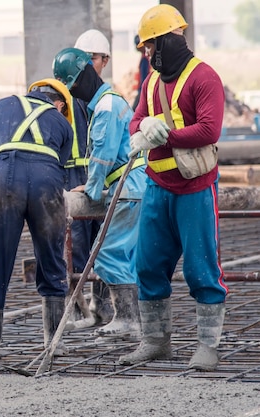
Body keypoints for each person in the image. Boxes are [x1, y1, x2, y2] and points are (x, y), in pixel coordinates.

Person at [118, 4, 228, 371]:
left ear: (165, 41)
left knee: (201, 269)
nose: (147, 54)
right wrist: (142, 131)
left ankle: (208, 346)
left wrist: (163, 135)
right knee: (147, 265)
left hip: (194, 190)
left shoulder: (203, 77)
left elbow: (210, 130)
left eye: (149, 47)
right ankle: (155, 341)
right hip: (157, 189)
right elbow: (135, 122)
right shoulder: (151, 82)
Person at [0, 79, 73, 363]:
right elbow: (66, 171)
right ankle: (53, 341)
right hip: (47, 181)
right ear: (59, 104)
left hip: (6, 178)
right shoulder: (62, 123)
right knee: (52, 257)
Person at [53, 47, 147, 340]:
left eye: (73, 87)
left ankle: (128, 320)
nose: (74, 95)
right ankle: (131, 320)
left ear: (82, 77)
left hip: (128, 187)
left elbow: (103, 155)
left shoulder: (105, 108)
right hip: (134, 184)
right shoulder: (111, 100)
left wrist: (91, 189)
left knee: (108, 255)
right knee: (125, 255)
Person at [67, 29, 114, 328]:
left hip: (103, 179)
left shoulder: (109, 99)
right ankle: (77, 308)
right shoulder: (65, 98)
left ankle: (103, 308)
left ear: (105, 61)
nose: (86, 65)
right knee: (75, 246)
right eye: (82, 59)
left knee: (105, 243)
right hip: (72, 178)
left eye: (92, 59)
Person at [132, 34, 151, 110]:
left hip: (144, 90)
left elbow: (144, 77)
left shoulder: (145, 59)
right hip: (143, 89)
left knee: (134, 110)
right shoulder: (144, 57)